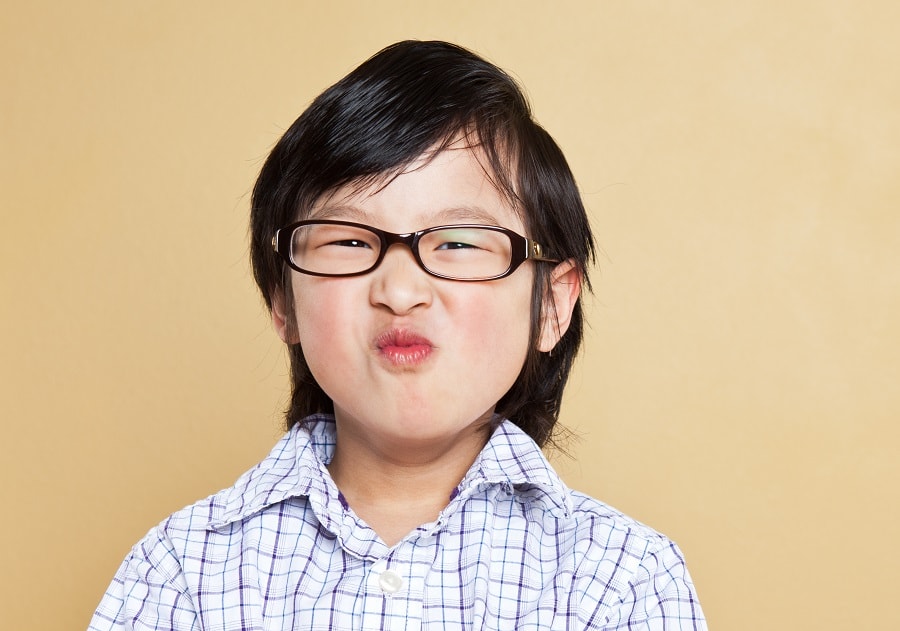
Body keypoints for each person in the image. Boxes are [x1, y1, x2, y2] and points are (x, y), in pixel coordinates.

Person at [89, 40, 707, 630]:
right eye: (351, 241)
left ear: (552, 304)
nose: (401, 290)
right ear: (283, 301)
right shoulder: (182, 573)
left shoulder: (622, 581)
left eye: (459, 242)